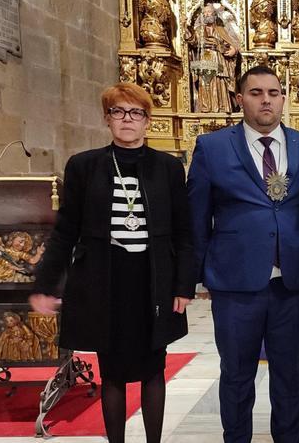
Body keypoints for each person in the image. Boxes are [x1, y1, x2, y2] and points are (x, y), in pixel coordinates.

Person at [30, 82, 195, 443]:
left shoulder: (167, 168)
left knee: (154, 368)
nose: (127, 120)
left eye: (136, 113)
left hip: (152, 280)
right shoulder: (84, 166)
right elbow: (65, 232)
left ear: (148, 121)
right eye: (118, 112)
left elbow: (184, 232)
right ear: (107, 119)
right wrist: (45, 284)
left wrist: (184, 286)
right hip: (105, 280)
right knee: (113, 371)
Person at [187, 65, 299, 443]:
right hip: (235, 285)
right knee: (236, 374)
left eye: (274, 92)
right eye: (257, 92)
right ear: (239, 98)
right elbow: (197, 217)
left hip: (292, 284)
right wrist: (194, 277)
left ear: (282, 98)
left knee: (287, 374)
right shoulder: (212, 147)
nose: (266, 100)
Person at [185, 3, 240, 113]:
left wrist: (233, 49)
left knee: (219, 81)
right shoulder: (199, 30)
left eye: (209, 12)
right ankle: (206, 108)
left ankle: (222, 107)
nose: (206, 15)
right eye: (204, 13)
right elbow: (192, 41)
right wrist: (185, 28)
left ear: (214, 15)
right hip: (205, 58)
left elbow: (231, 43)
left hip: (218, 57)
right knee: (205, 82)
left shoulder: (221, 30)